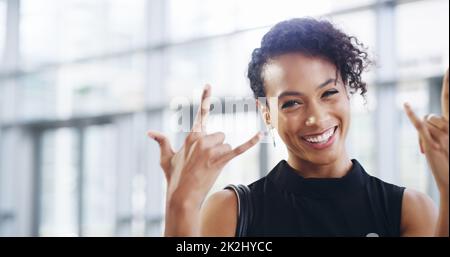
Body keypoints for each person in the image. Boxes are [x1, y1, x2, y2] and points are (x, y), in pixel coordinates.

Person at [148, 18, 449, 237]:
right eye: (292, 103)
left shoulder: (407, 211)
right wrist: (181, 204)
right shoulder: (233, 212)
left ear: (349, 92)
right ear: (266, 113)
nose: (316, 118)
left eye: (329, 93)